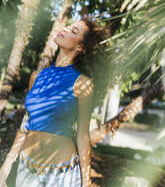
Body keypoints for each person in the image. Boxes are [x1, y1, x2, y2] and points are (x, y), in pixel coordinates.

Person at [0, 20, 109, 187]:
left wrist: (86, 181)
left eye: (73, 31)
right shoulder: (36, 77)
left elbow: (83, 135)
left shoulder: (82, 83)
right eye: (68, 26)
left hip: (61, 175)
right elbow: (27, 123)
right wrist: (7, 164)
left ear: (80, 47)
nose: (64, 29)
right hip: (26, 170)